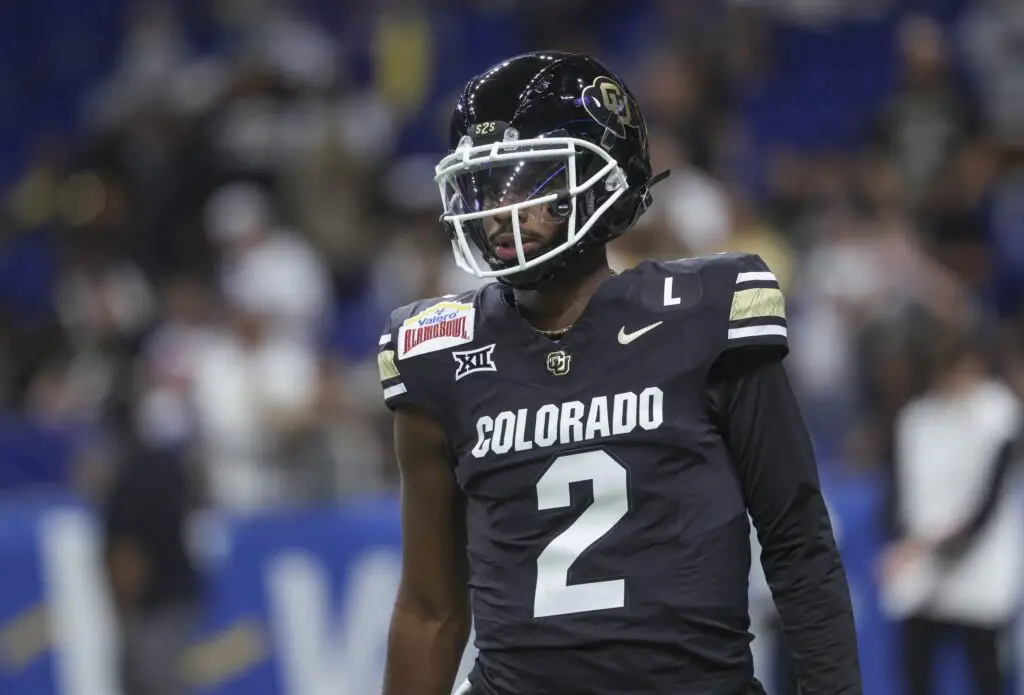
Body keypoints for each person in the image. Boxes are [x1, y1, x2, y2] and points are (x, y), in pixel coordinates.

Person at [378, 51, 861, 695]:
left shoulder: (704, 314)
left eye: (528, 182)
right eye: (488, 187)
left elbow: (797, 542)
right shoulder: (437, 348)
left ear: (607, 178)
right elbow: (430, 609)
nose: (499, 210)